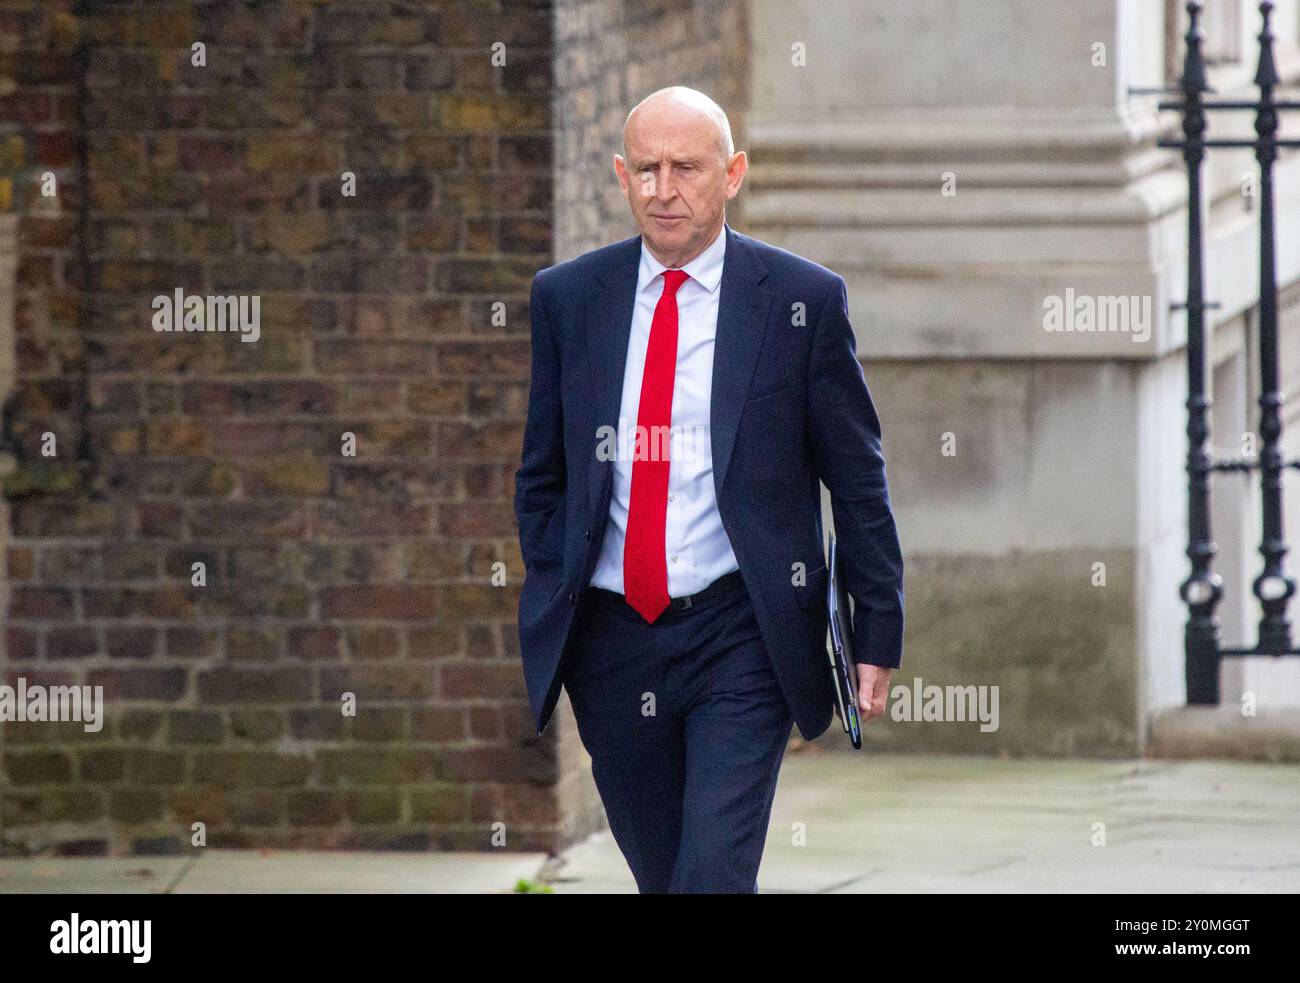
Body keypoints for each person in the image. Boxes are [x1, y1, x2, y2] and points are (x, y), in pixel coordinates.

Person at [513, 86, 904, 893]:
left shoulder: (800, 301)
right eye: (646, 169)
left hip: (743, 633)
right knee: (665, 877)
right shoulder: (569, 299)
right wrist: (557, 582)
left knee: (712, 876)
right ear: (621, 176)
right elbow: (542, 472)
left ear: (732, 174)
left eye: (685, 168)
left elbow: (856, 474)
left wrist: (878, 628)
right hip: (613, 640)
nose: (664, 189)